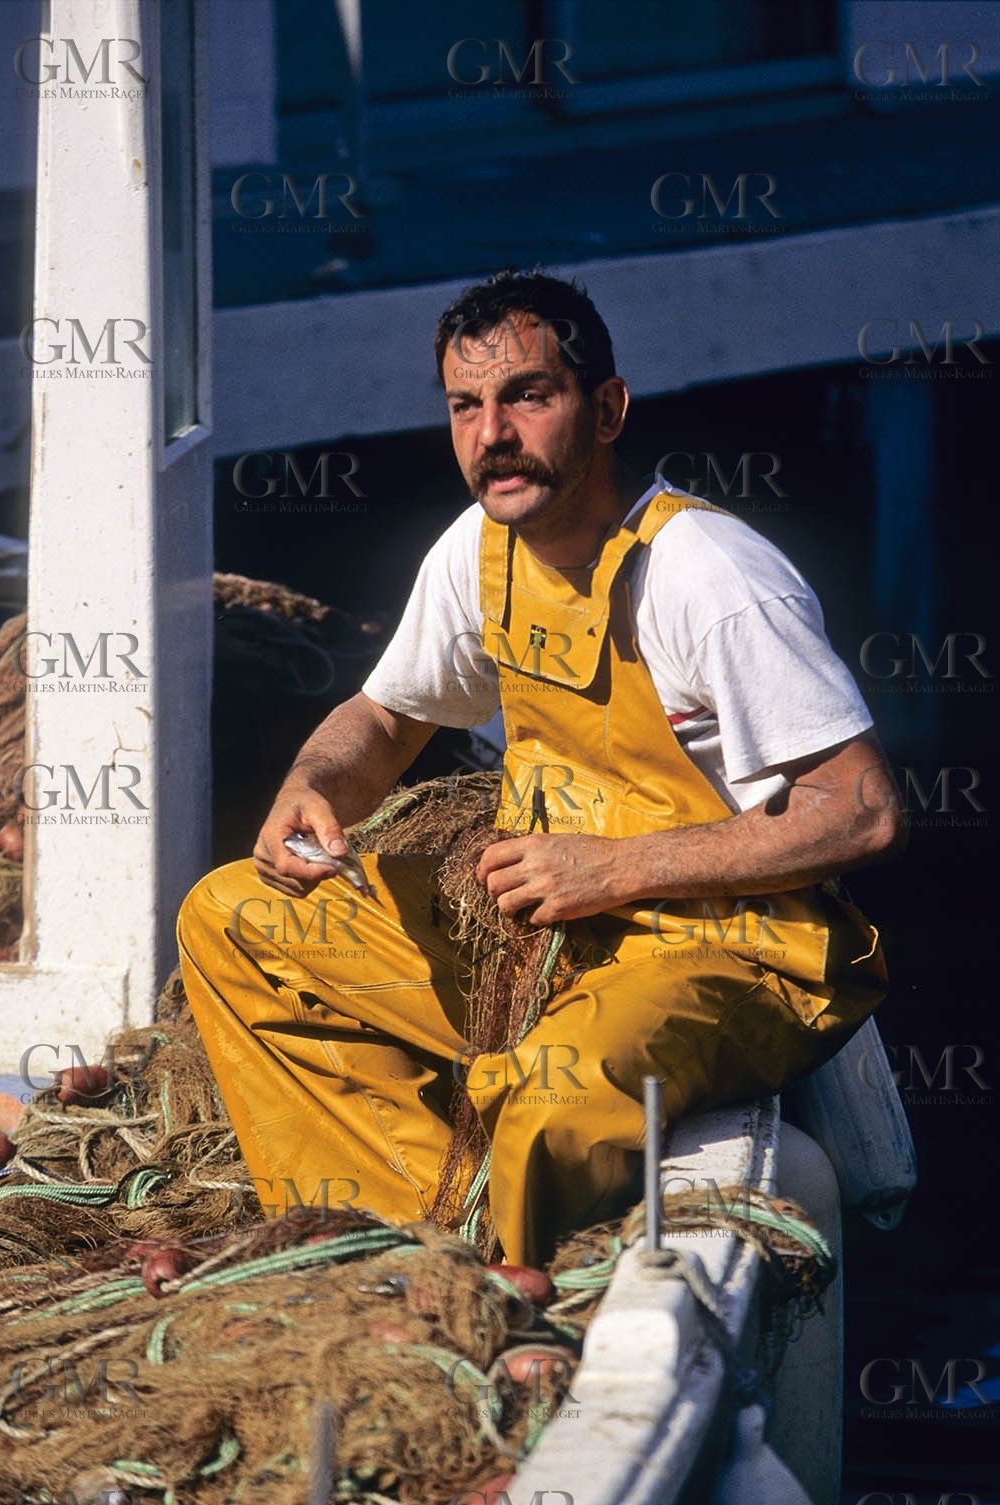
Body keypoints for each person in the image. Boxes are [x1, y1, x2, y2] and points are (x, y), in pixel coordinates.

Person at [178, 269, 903, 1266]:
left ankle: (494, 1291)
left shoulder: (708, 573)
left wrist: (610, 869)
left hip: (725, 952)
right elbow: (385, 714)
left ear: (606, 410)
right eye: (465, 406)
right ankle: (412, 1252)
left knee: (549, 1093)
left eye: (528, 394)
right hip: (544, 933)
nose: (493, 434)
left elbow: (861, 811)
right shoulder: (480, 548)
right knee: (232, 919)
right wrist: (316, 787)